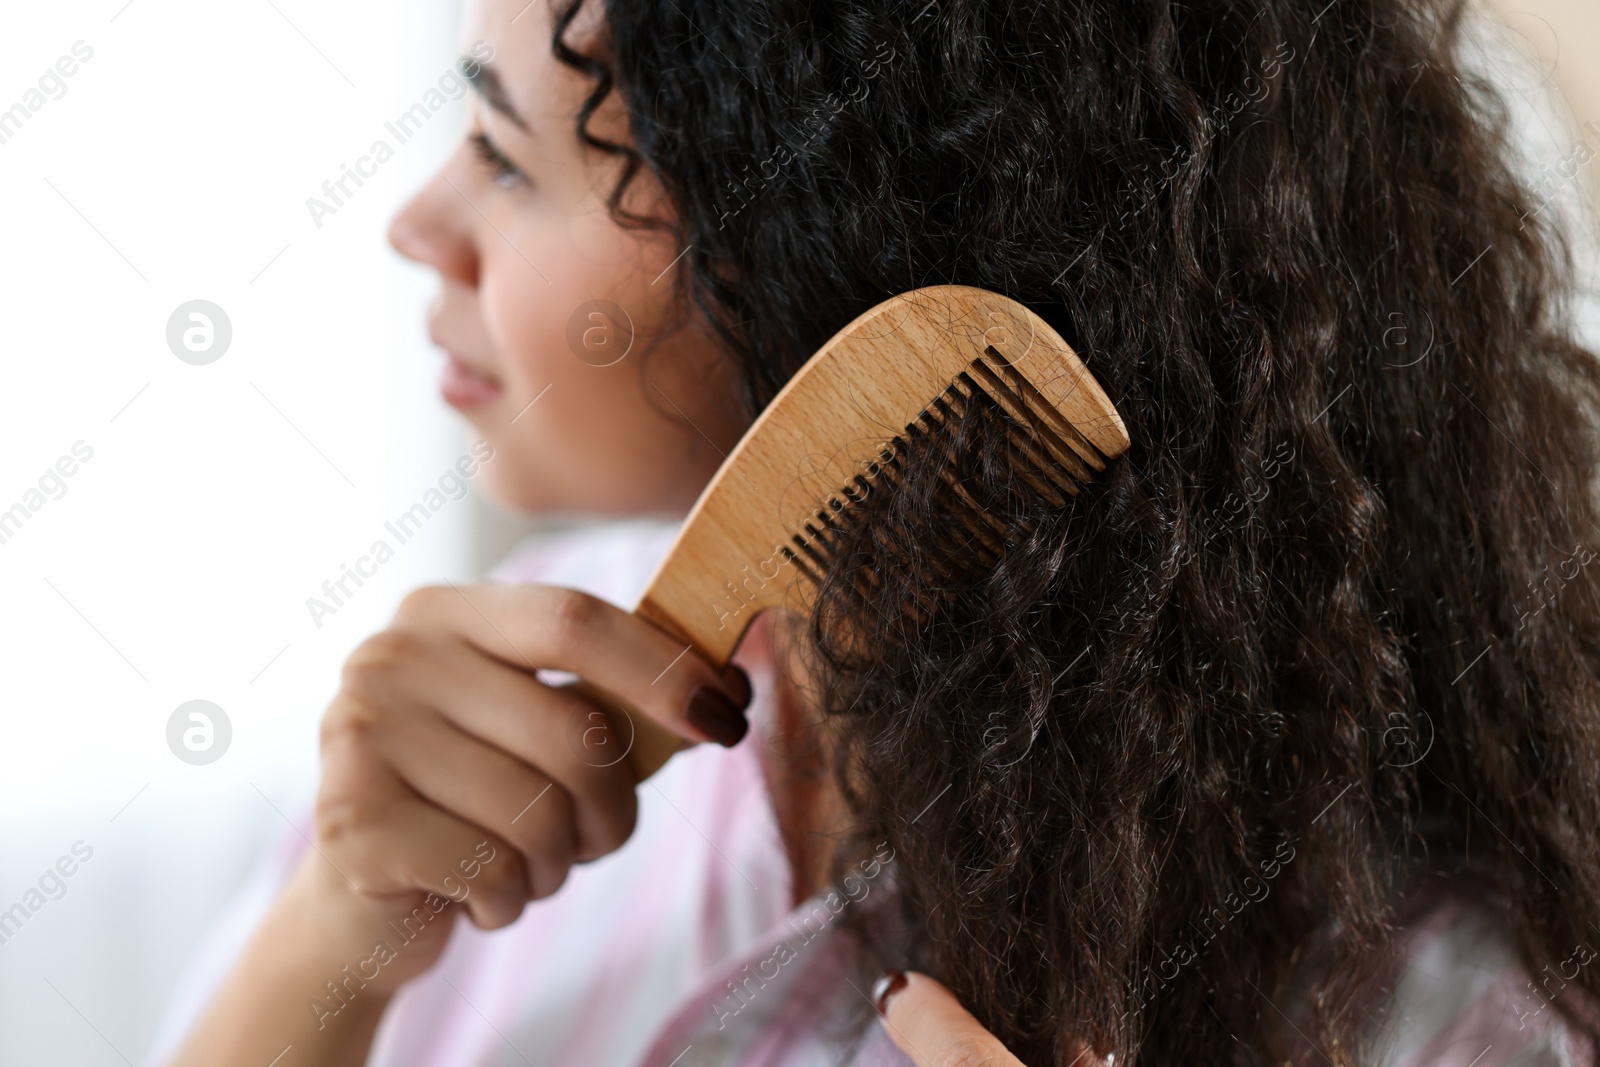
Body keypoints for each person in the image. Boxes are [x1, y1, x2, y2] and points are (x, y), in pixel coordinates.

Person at [153, 0, 1600, 1063]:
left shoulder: (1429, 1005)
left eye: (508, 160)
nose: (417, 222)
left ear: (822, 263)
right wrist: (336, 940)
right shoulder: (513, 698)